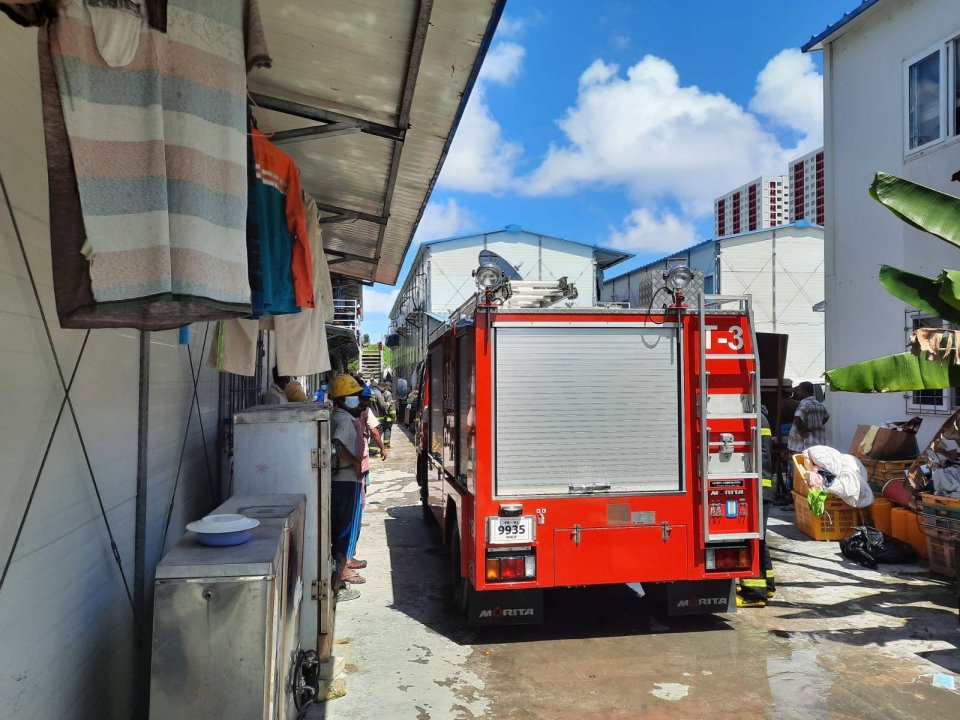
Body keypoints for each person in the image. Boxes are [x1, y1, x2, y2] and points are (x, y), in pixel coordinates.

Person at [328, 373, 365, 600]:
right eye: (352, 395)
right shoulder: (342, 420)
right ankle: (338, 583)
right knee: (342, 532)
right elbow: (337, 444)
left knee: (338, 530)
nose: (356, 399)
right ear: (342, 398)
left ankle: (337, 576)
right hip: (345, 480)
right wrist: (355, 462)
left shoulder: (337, 416)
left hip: (339, 480)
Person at [738, 408, 776, 608]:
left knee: (752, 540)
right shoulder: (763, 417)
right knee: (759, 538)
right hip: (764, 489)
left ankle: (754, 593)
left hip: (758, 490)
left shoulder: (755, 418)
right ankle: (768, 586)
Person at [787, 381, 830, 453]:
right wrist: (817, 424)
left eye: (799, 390)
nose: (798, 393)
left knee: (799, 463)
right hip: (818, 445)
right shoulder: (820, 405)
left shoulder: (804, 404)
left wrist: (802, 430)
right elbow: (826, 417)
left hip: (801, 446)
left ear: (803, 391)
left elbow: (797, 417)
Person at [378, 379, 396, 447]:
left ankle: (384, 444)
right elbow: (391, 406)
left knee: (381, 430)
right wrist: (393, 416)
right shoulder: (388, 394)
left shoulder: (378, 393)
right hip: (388, 416)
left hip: (381, 415)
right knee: (387, 429)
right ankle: (386, 444)